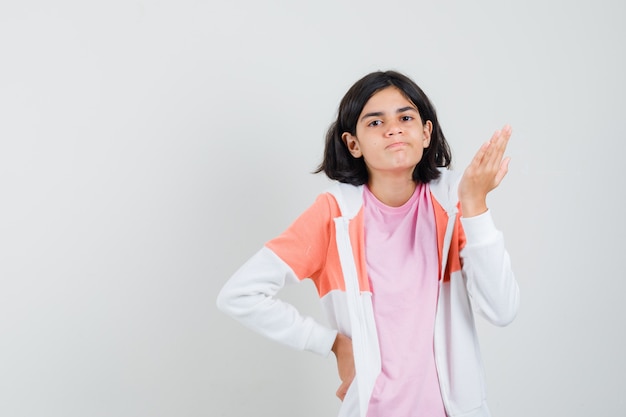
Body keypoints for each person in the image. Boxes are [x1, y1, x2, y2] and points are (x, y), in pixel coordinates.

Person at [216, 70, 520, 417]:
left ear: (426, 133)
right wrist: (330, 342)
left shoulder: (454, 201)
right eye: (375, 123)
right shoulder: (335, 214)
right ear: (353, 144)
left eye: (405, 117)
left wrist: (476, 205)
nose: (393, 128)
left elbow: (502, 309)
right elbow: (238, 294)